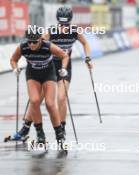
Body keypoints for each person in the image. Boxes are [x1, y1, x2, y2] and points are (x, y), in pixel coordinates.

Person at [12, 6, 93, 141]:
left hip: (64, 65)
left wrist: (88, 58)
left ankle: (62, 128)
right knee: (37, 100)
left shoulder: (75, 31)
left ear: (70, 22)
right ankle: (25, 128)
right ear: (57, 22)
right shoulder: (51, 31)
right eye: (61, 24)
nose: (63, 27)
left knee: (61, 97)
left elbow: (85, 44)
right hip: (49, 66)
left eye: (66, 24)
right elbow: (39, 42)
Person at [10, 26, 69, 145]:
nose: (31, 44)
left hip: (48, 74)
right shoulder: (23, 47)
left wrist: (63, 68)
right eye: (29, 41)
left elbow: (65, 55)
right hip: (33, 74)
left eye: (35, 42)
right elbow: (13, 59)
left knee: (50, 104)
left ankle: (59, 132)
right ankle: (40, 133)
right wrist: (15, 68)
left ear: (40, 39)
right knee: (34, 101)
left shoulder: (48, 46)